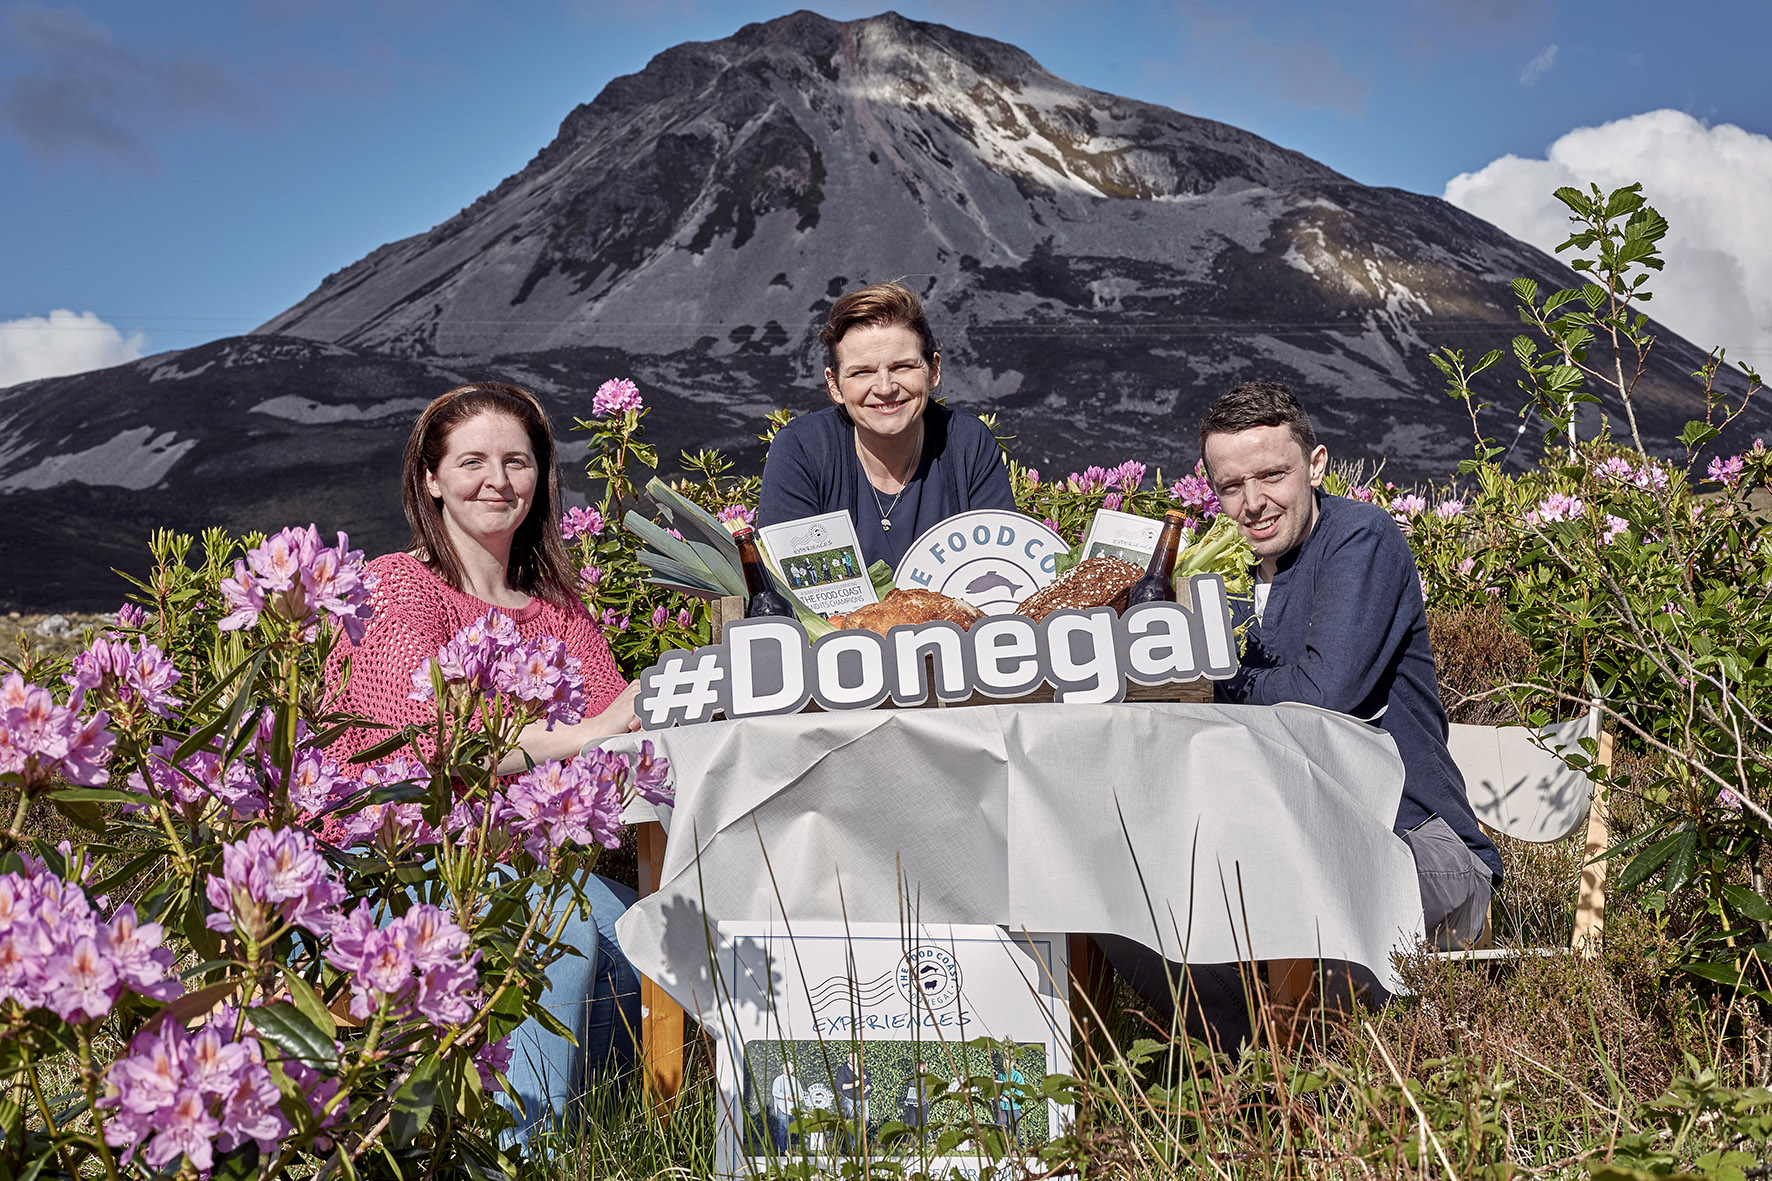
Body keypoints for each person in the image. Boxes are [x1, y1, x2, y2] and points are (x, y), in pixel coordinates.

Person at [1101, 381, 1500, 1045]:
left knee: (1270, 882)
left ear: (1315, 465)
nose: (1253, 502)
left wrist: (1206, 679)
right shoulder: (1226, 577)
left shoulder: (1360, 541)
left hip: (1417, 845)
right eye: (1231, 486)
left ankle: (1295, 1073)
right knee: (1119, 889)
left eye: (1272, 475)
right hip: (1281, 841)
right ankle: (1253, 1071)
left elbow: (1321, 694)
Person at [324, 381, 646, 1135]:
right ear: (431, 479)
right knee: (559, 933)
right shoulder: (397, 585)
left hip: (523, 855)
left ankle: (593, 1146)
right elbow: (430, 736)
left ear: (541, 477)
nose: (497, 481)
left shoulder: (558, 609)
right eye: (472, 461)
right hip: (407, 854)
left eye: (516, 462)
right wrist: (583, 734)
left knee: (642, 933)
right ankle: (520, 1153)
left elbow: (620, 731)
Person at [757, 281, 1018, 569]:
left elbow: (1000, 569)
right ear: (835, 385)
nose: (885, 387)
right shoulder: (802, 449)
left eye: (902, 367)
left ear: (933, 370)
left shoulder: (967, 442)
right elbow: (796, 583)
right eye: (862, 372)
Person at [834, 1048, 870, 1151]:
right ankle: (851, 1147)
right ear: (848, 1058)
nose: (854, 1059)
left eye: (855, 1057)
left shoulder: (862, 1069)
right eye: (851, 1057)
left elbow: (869, 1082)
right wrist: (853, 1084)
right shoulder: (843, 1070)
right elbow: (838, 1086)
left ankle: (856, 1144)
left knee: (865, 1121)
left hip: (863, 1099)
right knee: (850, 1122)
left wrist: (867, 1088)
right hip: (849, 1098)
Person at [768, 1057, 805, 1153]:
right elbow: (775, 1092)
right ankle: (781, 1149)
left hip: (793, 1109)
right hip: (782, 1108)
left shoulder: (795, 1080)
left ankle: (787, 1149)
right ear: (782, 1069)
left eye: (790, 1068)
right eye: (786, 1068)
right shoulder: (778, 1080)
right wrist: (787, 1097)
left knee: (790, 1129)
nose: (788, 1070)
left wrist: (798, 1097)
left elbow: (801, 1094)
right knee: (782, 1128)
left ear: (792, 1070)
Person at [994, 1050, 1026, 1147]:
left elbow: (1021, 1090)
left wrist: (1009, 1098)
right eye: (1004, 1062)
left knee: (1014, 1128)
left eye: (1007, 1063)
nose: (1005, 1065)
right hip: (1002, 1106)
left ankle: (1015, 1149)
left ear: (1012, 1063)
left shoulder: (1017, 1075)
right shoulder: (1000, 1075)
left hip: (1014, 1107)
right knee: (999, 1126)